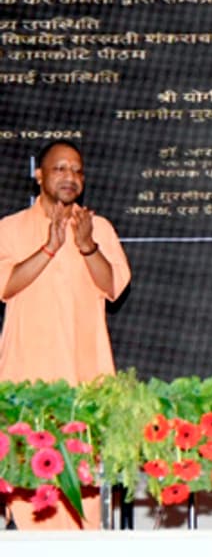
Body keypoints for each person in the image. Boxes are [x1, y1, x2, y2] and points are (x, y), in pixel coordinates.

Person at [0, 140, 131, 529]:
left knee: (84, 498)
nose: (70, 177)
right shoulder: (9, 228)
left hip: (85, 382)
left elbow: (113, 287)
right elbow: (5, 285)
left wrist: (87, 246)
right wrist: (50, 248)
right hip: (26, 381)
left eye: (77, 170)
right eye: (59, 169)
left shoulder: (98, 227)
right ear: (38, 175)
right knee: (28, 489)